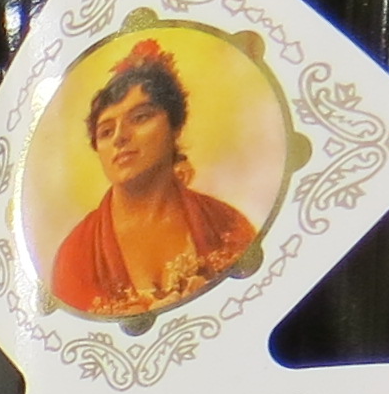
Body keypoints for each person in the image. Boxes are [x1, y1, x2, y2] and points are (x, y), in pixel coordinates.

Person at [49, 40, 259, 320]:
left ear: (175, 127)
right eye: (106, 131)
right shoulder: (77, 256)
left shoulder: (227, 226)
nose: (120, 137)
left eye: (140, 117)